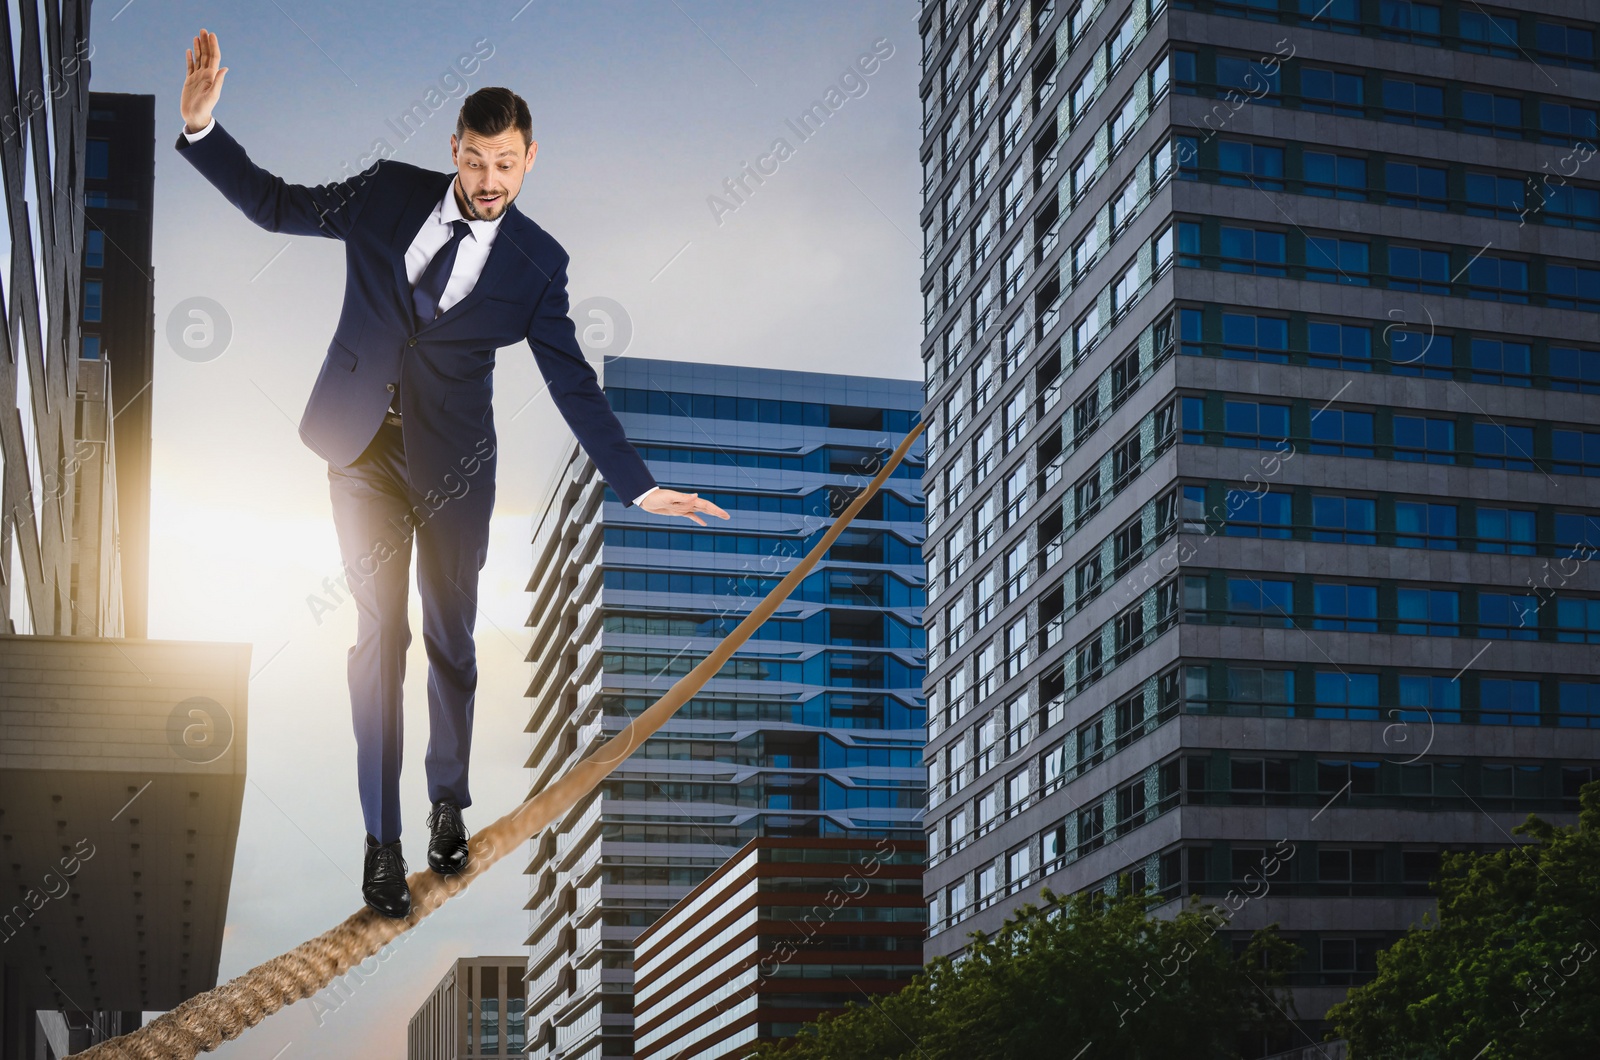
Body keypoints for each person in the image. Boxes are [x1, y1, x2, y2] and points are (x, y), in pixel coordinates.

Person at [175, 29, 728, 918]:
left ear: (529, 160)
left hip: (456, 468)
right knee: (376, 639)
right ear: (453, 152)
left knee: (451, 644)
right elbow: (277, 205)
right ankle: (382, 844)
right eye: (475, 160)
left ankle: (446, 805)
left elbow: (569, 380)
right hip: (360, 451)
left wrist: (635, 481)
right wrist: (204, 131)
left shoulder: (538, 264)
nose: (488, 179)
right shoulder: (386, 193)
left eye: (505, 163)